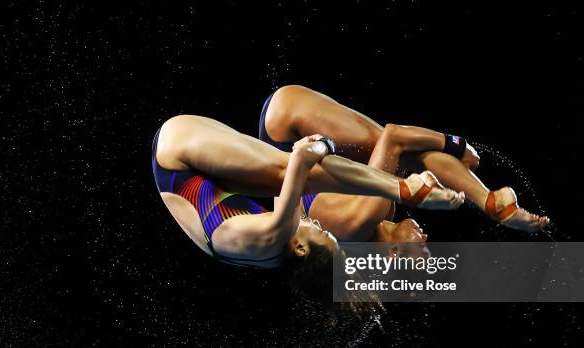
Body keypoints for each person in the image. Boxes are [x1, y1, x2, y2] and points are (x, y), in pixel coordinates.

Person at [152, 115, 464, 270]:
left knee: (290, 172)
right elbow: (291, 199)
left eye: (320, 231)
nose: (318, 223)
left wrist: (322, 145)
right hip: (183, 175)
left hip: (176, 153)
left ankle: (406, 189)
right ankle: (405, 187)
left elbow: (299, 162)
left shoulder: (274, 236)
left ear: (301, 249)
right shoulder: (277, 249)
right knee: (287, 179)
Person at [258, 85, 549, 237]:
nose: (426, 242)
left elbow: (395, 135)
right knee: (403, 159)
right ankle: (490, 202)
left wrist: (455, 145)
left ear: (395, 253)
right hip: (292, 151)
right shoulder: (367, 226)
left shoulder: (365, 218)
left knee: (386, 142)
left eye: (421, 257)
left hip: (286, 128)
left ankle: (490, 202)